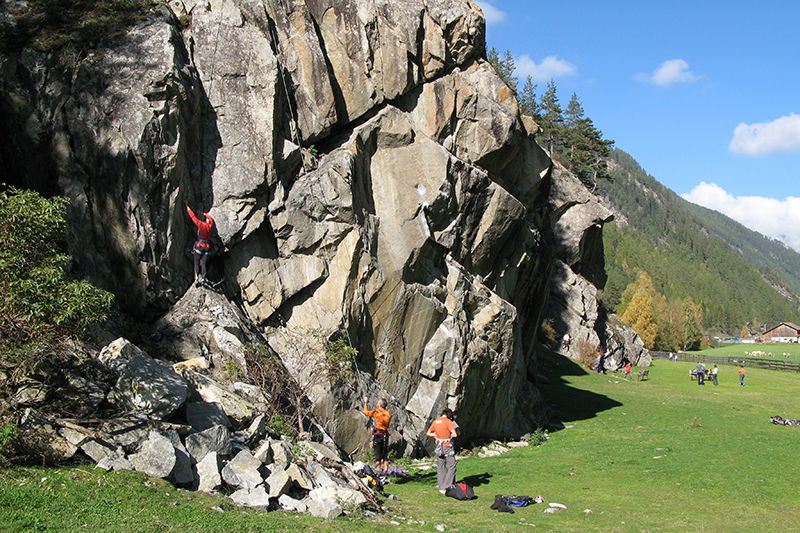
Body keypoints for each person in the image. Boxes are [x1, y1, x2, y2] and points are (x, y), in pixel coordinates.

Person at [427, 408, 459, 494]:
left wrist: (436, 436)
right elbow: (455, 434)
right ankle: (447, 485)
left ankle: (441, 486)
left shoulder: (436, 421)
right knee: (452, 466)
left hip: (438, 446)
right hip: (447, 445)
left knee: (440, 466)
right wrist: (448, 436)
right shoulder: (448, 422)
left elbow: (428, 433)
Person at [186, 205, 215, 285]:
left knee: (196, 262)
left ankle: (196, 278)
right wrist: (206, 214)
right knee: (203, 263)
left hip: (200, 246)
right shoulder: (209, 226)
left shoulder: (201, 225)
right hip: (207, 248)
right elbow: (211, 220)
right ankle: (203, 278)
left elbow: (193, 217)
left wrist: (188, 209)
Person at [363, 396, 392, 473]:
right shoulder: (388, 414)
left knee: (377, 452)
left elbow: (366, 412)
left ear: (380, 404)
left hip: (378, 434)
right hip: (385, 434)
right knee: (385, 452)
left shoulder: (377, 412)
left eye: (378, 403)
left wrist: (366, 402)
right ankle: (386, 470)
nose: (377, 403)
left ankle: (379, 470)